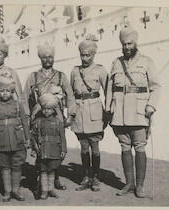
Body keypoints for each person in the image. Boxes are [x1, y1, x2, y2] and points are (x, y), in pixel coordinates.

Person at [105, 25, 161, 198]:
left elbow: (156, 87)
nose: (127, 47)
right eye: (124, 44)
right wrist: (108, 108)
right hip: (120, 114)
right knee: (124, 147)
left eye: (130, 43)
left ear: (135, 43)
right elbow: (110, 88)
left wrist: (151, 106)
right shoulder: (116, 62)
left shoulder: (147, 62)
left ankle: (140, 186)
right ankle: (128, 183)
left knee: (140, 147)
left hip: (139, 113)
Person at [24, 42, 76, 190]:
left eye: (50, 57)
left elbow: (70, 95)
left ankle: (55, 178)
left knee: (56, 147)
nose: (47, 60)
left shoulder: (61, 76)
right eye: (44, 57)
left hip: (56, 116)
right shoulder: (33, 77)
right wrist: (27, 117)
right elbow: (24, 97)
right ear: (40, 58)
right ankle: (40, 178)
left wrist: (70, 115)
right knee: (39, 145)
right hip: (38, 116)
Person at [70, 34, 108, 192]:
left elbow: (109, 92)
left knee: (95, 147)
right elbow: (71, 93)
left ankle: (96, 177)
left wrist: (108, 113)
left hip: (94, 113)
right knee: (84, 147)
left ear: (93, 55)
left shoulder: (100, 70)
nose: (84, 58)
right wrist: (71, 113)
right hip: (79, 112)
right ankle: (86, 177)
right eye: (82, 55)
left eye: (88, 55)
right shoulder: (75, 71)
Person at [0, 77, 30, 202]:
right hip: (1, 140)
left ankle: (16, 190)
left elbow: (25, 123)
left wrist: (28, 139)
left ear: (12, 92)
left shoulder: (18, 104)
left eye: (7, 91)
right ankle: (7, 191)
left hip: (17, 140)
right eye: (2, 91)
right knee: (4, 166)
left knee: (17, 165)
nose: (4, 93)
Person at [31, 93, 67, 200]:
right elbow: (33, 136)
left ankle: (51, 189)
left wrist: (63, 150)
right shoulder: (38, 122)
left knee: (52, 170)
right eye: (44, 109)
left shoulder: (58, 122)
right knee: (43, 170)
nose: (46, 111)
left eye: (49, 109)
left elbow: (62, 138)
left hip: (54, 150)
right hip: (42, 150)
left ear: (53, 110)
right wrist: (34, 147)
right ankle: (44, 191)